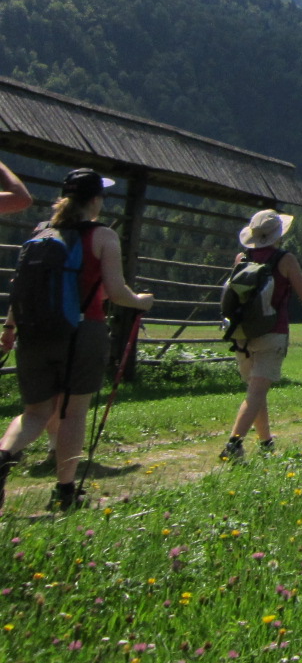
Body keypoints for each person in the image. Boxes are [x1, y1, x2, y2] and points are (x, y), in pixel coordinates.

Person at [0, 169, 154, 510]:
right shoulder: (102, 236)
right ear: (96, 199)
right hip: (82, 332)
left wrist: (10, 327)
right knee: (72, 413)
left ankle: (3, 455)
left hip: (33, 333)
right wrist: (141, 301)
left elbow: (21, 288)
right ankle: (65, 492)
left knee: (35, 413)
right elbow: (116, 292)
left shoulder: (41, 232)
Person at [220, 209, 302, 462]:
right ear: (278, 234)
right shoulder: (286, 259)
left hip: (243, 334)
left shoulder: (242, 258)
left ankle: (265, 442)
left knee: (256, 391)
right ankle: (234, 443)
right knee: (256, 393)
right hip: (272, 332)